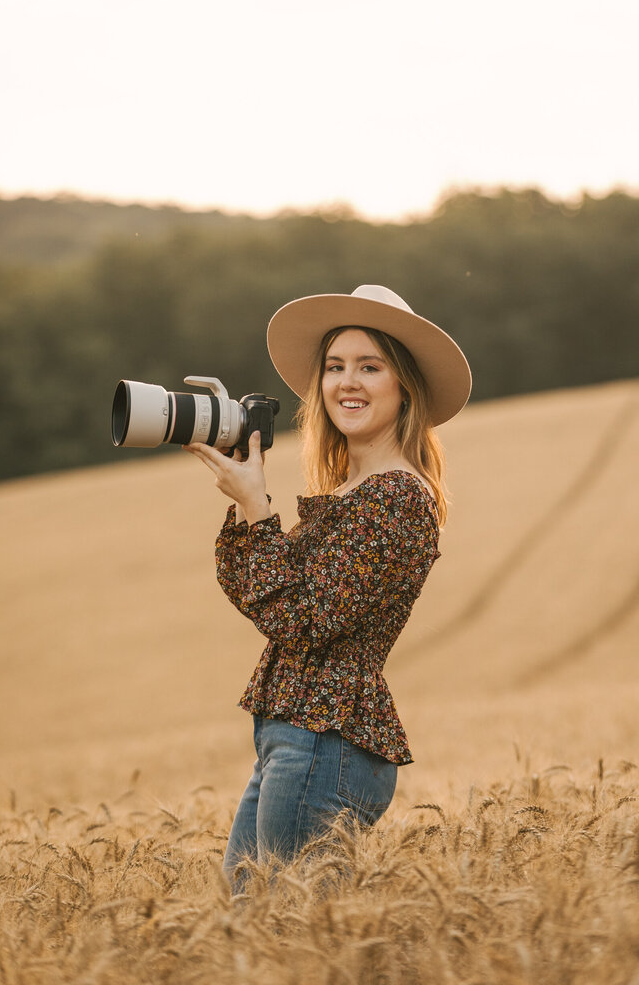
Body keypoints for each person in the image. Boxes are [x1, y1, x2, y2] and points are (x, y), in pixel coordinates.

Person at [184, 284, 471, 890]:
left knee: (283, 921)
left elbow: (306, 620)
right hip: (296, 736)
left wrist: (259, 511)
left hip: (324, 738)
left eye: (370, 366)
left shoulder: (396, 497)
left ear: (405, 386)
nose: (347, 382)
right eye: (335, 367)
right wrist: (248, 501)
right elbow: (254, 587)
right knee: (254, 916)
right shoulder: (350, 493)